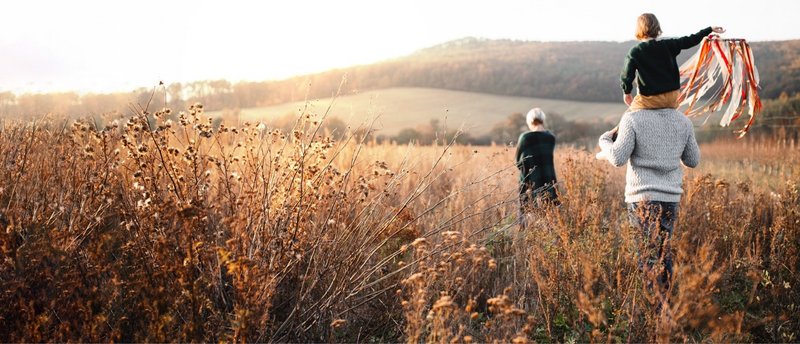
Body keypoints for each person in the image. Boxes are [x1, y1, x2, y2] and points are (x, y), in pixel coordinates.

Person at [597, 106, 701, 304]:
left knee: (647, 257)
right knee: (663, 252)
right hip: (670, 198)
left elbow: (618, 158)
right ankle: (665, 310)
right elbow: (693, 160)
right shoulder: (683, 121)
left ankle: (654, 313)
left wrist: (604, 140)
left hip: (643, 198)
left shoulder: (632, 118)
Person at [621, 13, 725, 111]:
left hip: (651, 100)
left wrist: (627, 92)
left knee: (629, 115)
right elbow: (691, 40)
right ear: (657, 27)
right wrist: (710, 29)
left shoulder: (635, 52)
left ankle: (613, 131)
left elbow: (627, 75)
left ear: (639, 29)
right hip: (673, 97)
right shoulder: (669, 44)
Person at [516, 108, 558, 229]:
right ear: (543, 120)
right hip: (549, 180)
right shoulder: (551, 138)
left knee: (525, 215)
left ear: (529, 121)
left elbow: (518, 163)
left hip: (529, 182)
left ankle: (525, 235)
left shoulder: (525, 138)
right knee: (550, 216)